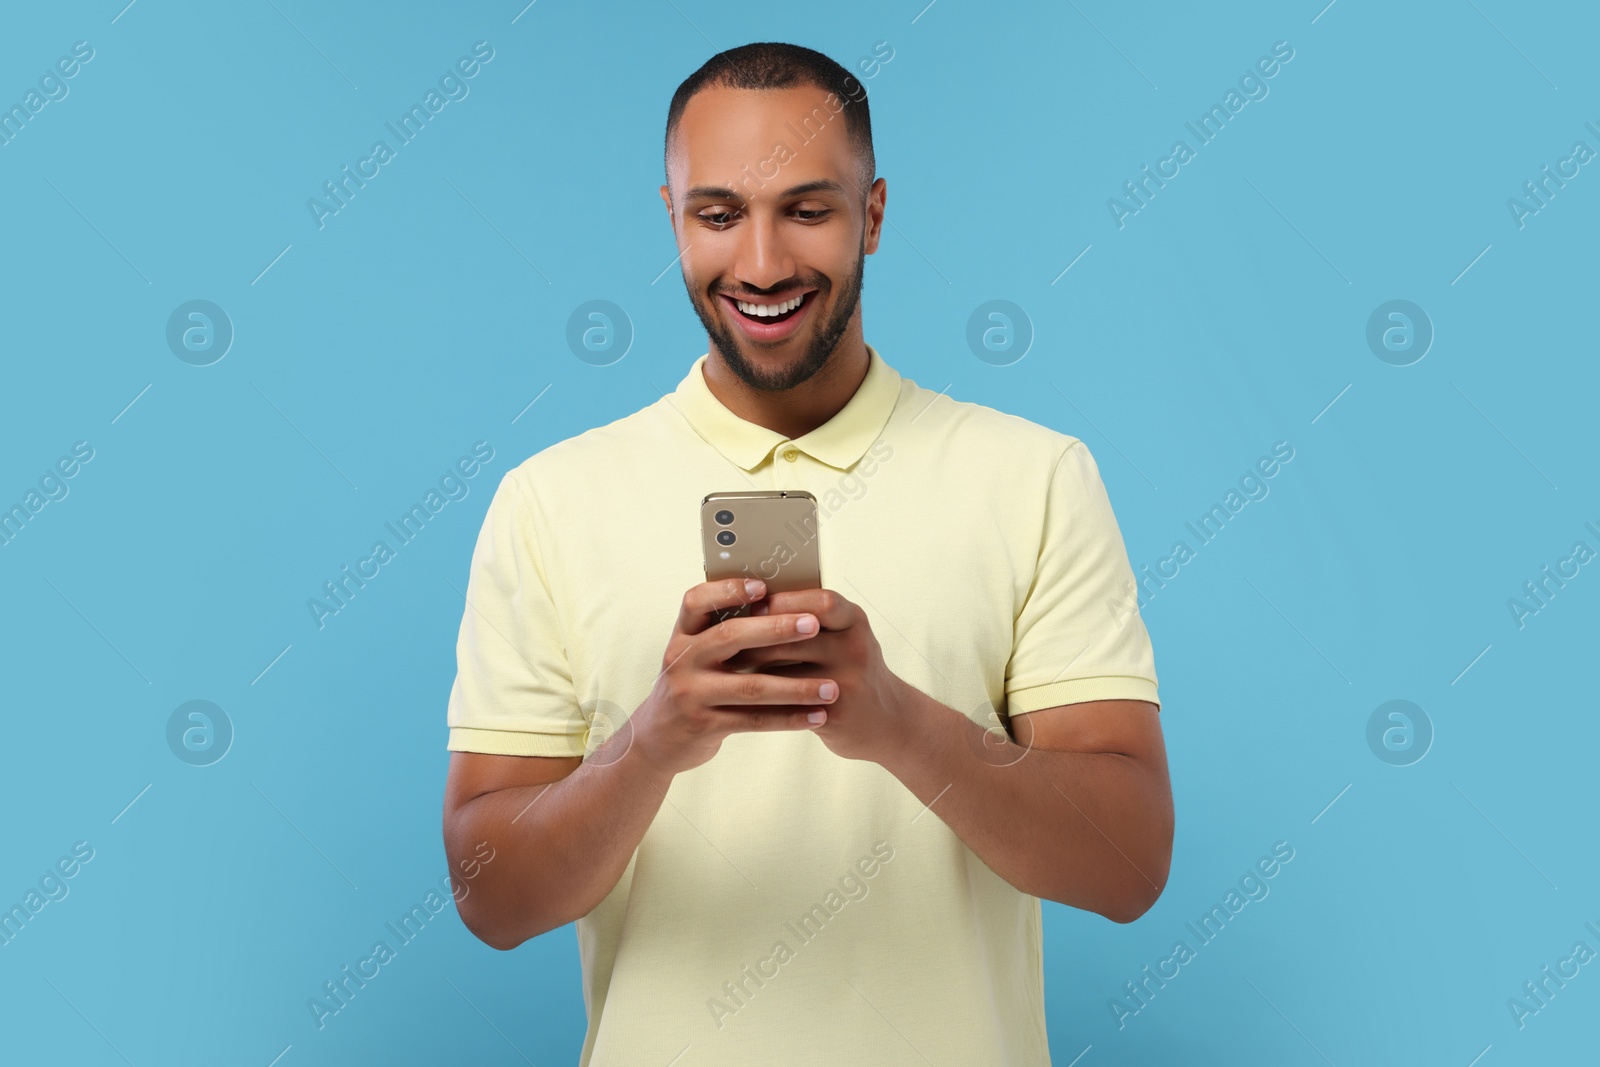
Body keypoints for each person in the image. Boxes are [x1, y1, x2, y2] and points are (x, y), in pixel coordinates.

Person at [441, 41, 1172, 1066]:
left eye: (808, 209)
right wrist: (654, 740)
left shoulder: (1033, 477)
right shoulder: (550, 502)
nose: (763, 263)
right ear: (671, 217)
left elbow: (1128, 863)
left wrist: (896, 722)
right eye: (719, 213)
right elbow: (491, 895)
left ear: (872, 213)